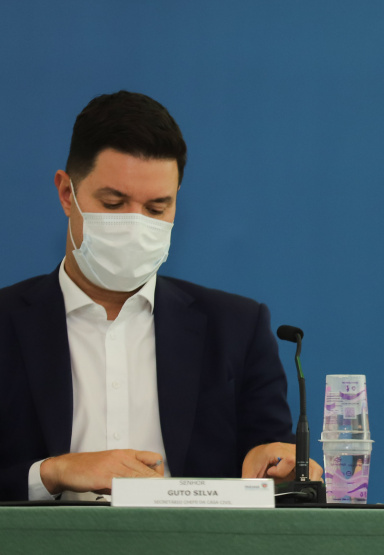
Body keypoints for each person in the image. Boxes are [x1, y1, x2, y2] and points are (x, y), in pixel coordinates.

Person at [0, 91, 321, 501]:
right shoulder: (6, 322)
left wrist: (279, 465)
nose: (135, 225)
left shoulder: (237, 328)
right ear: (67, 194)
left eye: (156, 209)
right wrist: (53, 472)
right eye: (113, 203)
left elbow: (273, 463)